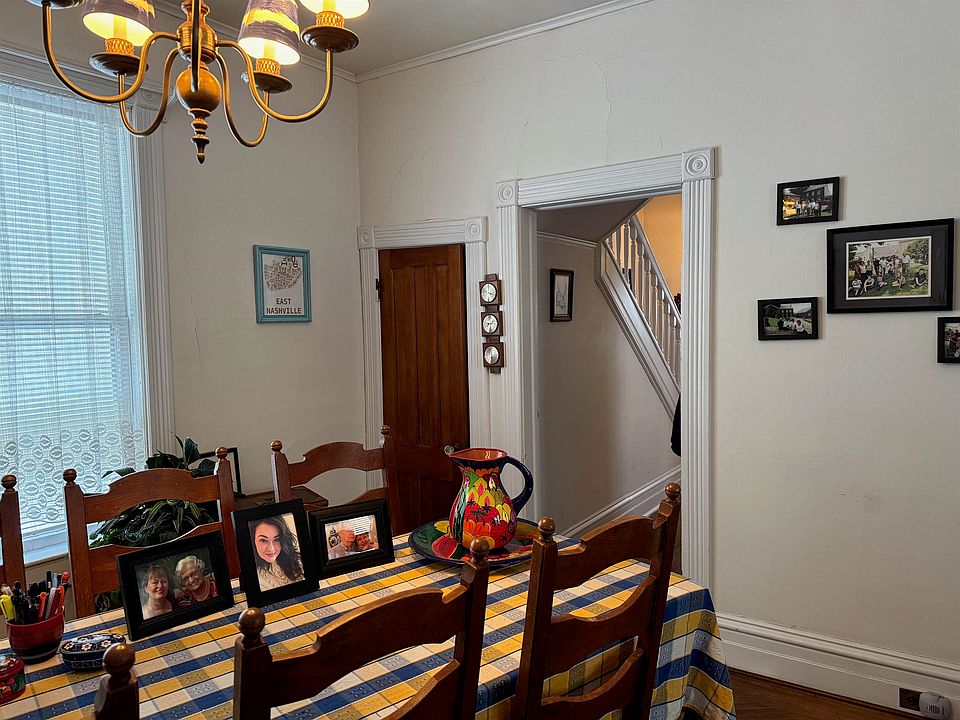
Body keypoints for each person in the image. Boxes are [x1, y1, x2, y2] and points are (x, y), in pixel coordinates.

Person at [250, 516, 304, 590]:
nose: (271, 548)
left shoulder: (295, 559)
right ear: (252, 540)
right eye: (263, 540)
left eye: (277, 539)